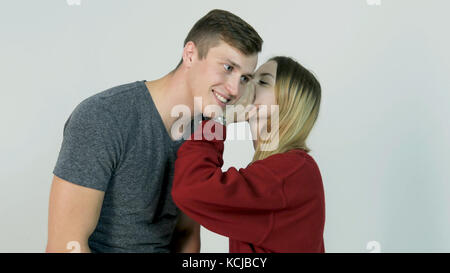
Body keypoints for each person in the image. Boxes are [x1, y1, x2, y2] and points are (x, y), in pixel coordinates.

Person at [46, 9, 262, 253]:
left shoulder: (204, 132)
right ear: (190, 54)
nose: (235, 89)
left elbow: (186, 234)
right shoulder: (104, 116)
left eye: (245, 78)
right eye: (227, 67)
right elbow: (65, 245)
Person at [171, 56, 325, 253]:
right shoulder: (285, 170)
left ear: (288, 102)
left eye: (262, 81)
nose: (245, 83)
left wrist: (220, 119)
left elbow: (191, 188)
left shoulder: (292, 171)